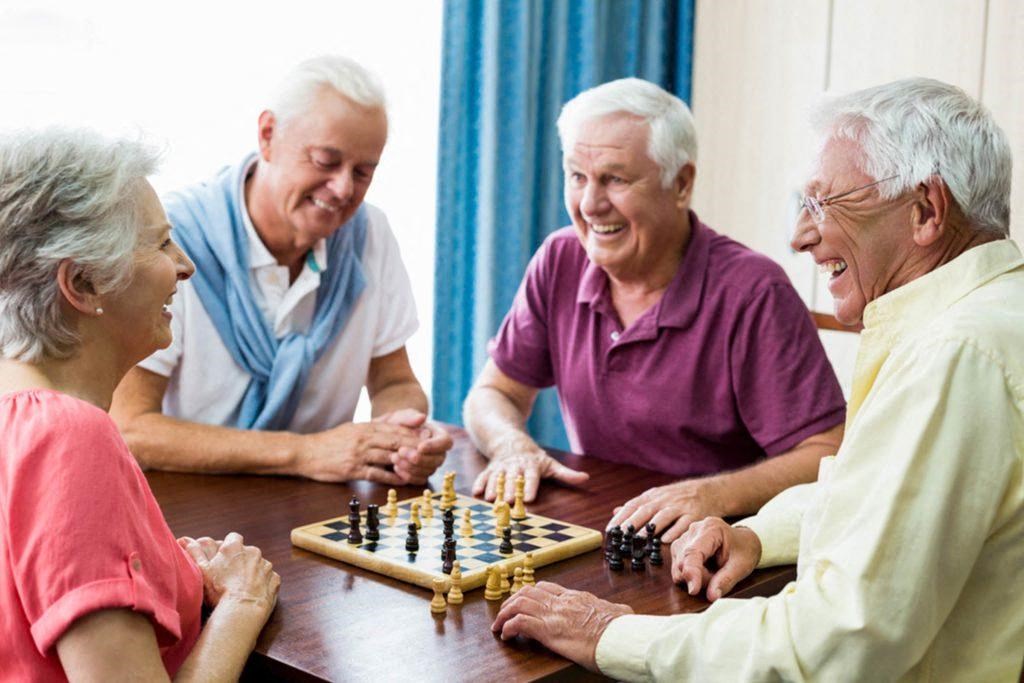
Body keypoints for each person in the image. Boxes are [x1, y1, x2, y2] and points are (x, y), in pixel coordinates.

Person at [491, 77, 1024, 681]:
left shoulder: (954, 356)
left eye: (823, 203)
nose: (799, 236)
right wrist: (760, 536)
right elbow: (871, 496)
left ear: (926, 210)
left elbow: (836, 644)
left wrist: (609, 633)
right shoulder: (988, 318)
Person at [462, 78, 845, 541]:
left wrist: (711, 496)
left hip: (715, 552)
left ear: (681, 184)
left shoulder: (753, 292)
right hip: (602, 532)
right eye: (577, 176)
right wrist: (513, 446)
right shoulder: (559, 258)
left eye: (615, 179)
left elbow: (826, 451)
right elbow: (492, 394)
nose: (589, 204)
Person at [0, 129, 280, 680]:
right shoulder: (68, 436)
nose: (185, 266)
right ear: (83, 283)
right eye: (160, 244)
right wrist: (244, 604)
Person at [111, 56, 450, 485]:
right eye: (326, 161)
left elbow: (394, 380)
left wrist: (402, 433)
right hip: (192, 516)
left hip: (318, 512)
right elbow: (131, 427)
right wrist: (306, 453)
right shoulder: (173, 241)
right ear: (268, 135)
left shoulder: (370, 234)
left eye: (363, 172)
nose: (344, 188)